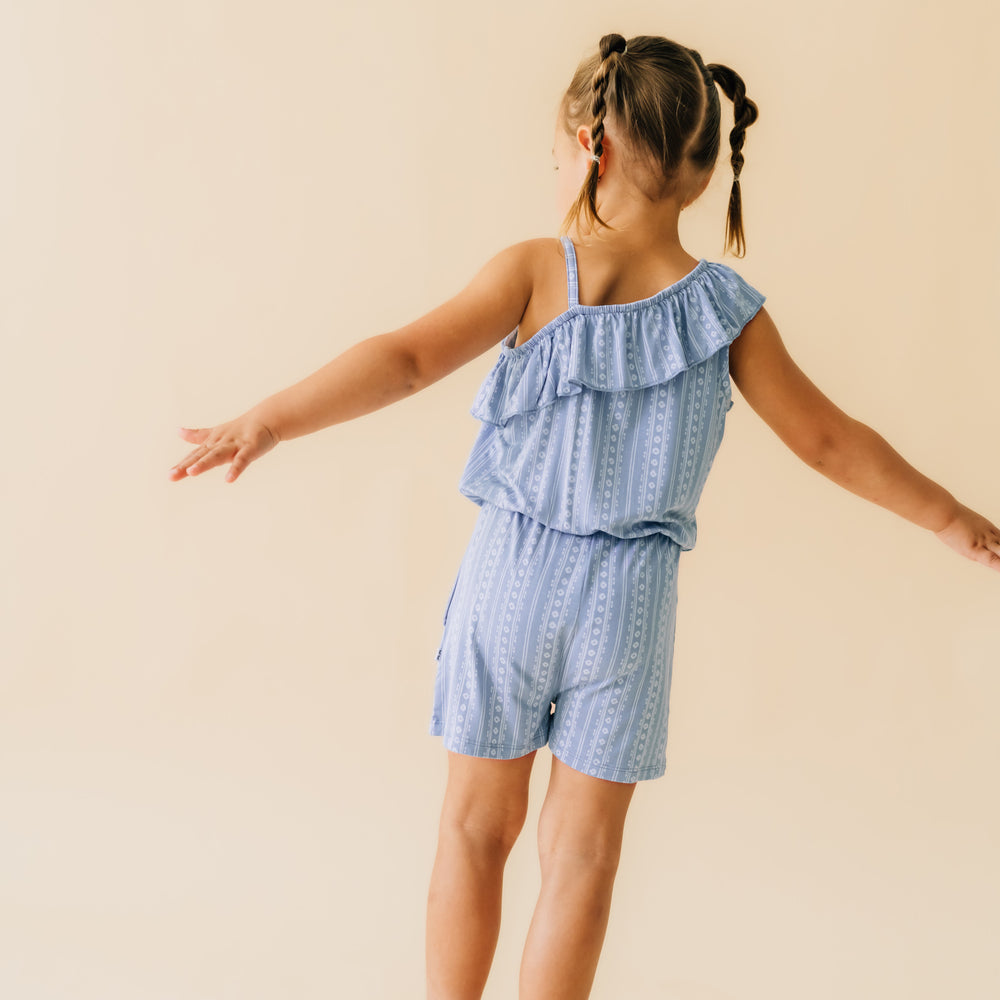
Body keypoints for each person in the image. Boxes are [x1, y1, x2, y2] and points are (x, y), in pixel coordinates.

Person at [168, 31, 1000, 1000]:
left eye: (558, 147)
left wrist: (267, 419)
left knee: (474, 831)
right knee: (582, 859)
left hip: (509, 582)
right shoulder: (723, 308)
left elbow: (402, 360)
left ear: (588, 142)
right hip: (628, 606)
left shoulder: (532, 271)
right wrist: (951, 519)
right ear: (698, 168)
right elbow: (827, 441)